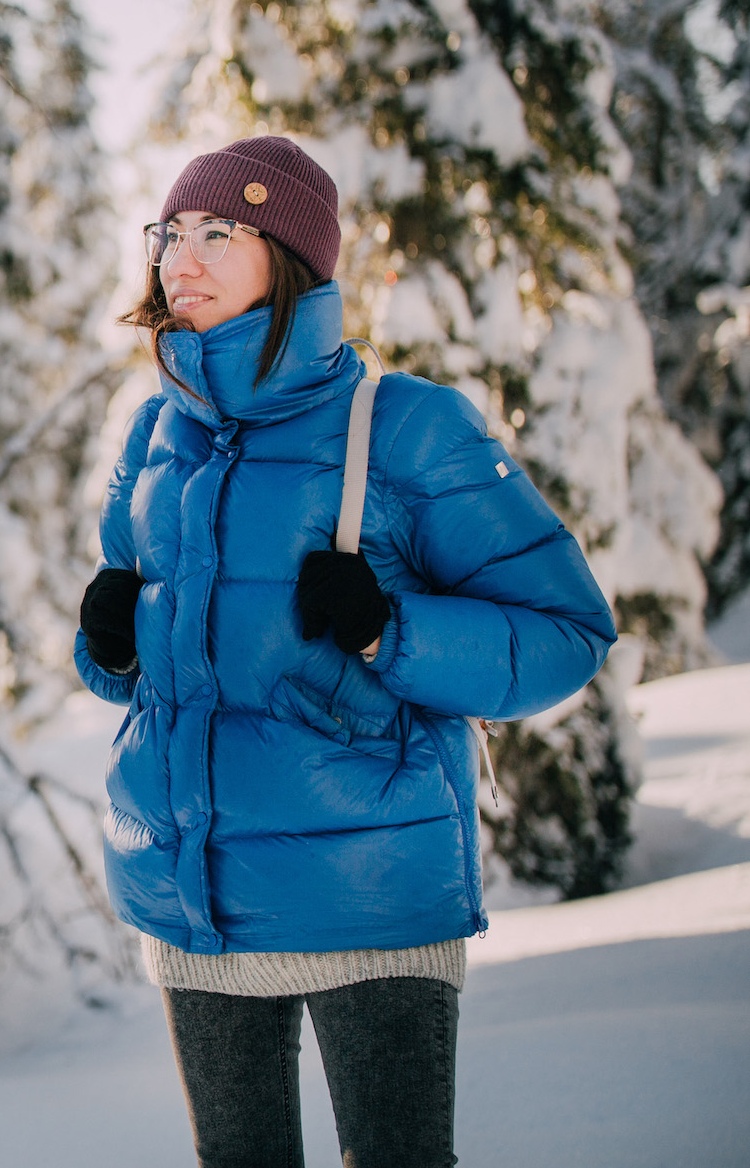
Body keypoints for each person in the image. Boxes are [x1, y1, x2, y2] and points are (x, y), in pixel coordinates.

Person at [74, 136, 615, 1168]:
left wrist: (391, 630)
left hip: (370, 892)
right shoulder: (156, 436)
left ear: (291, 256)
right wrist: (109, 641)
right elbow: (142, 669)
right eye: (170, 233)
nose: (178, 258)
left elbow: (566, 633)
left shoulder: (406, 427)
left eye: (216, 233)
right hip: (193, 902)